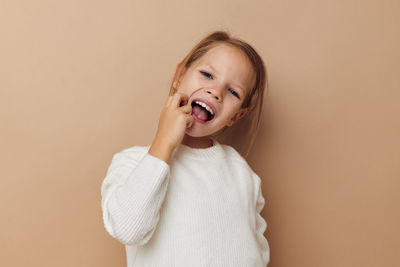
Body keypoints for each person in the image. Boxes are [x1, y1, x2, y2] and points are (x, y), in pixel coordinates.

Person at [101, 30, 270, 266]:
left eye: (233, 92)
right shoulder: (132, 162)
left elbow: (256, 254)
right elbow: (128, 230)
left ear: (236, 116)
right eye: (207, 74)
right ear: (179, 75)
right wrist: (164, 143)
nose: (216, 92)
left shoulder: (242, 174)